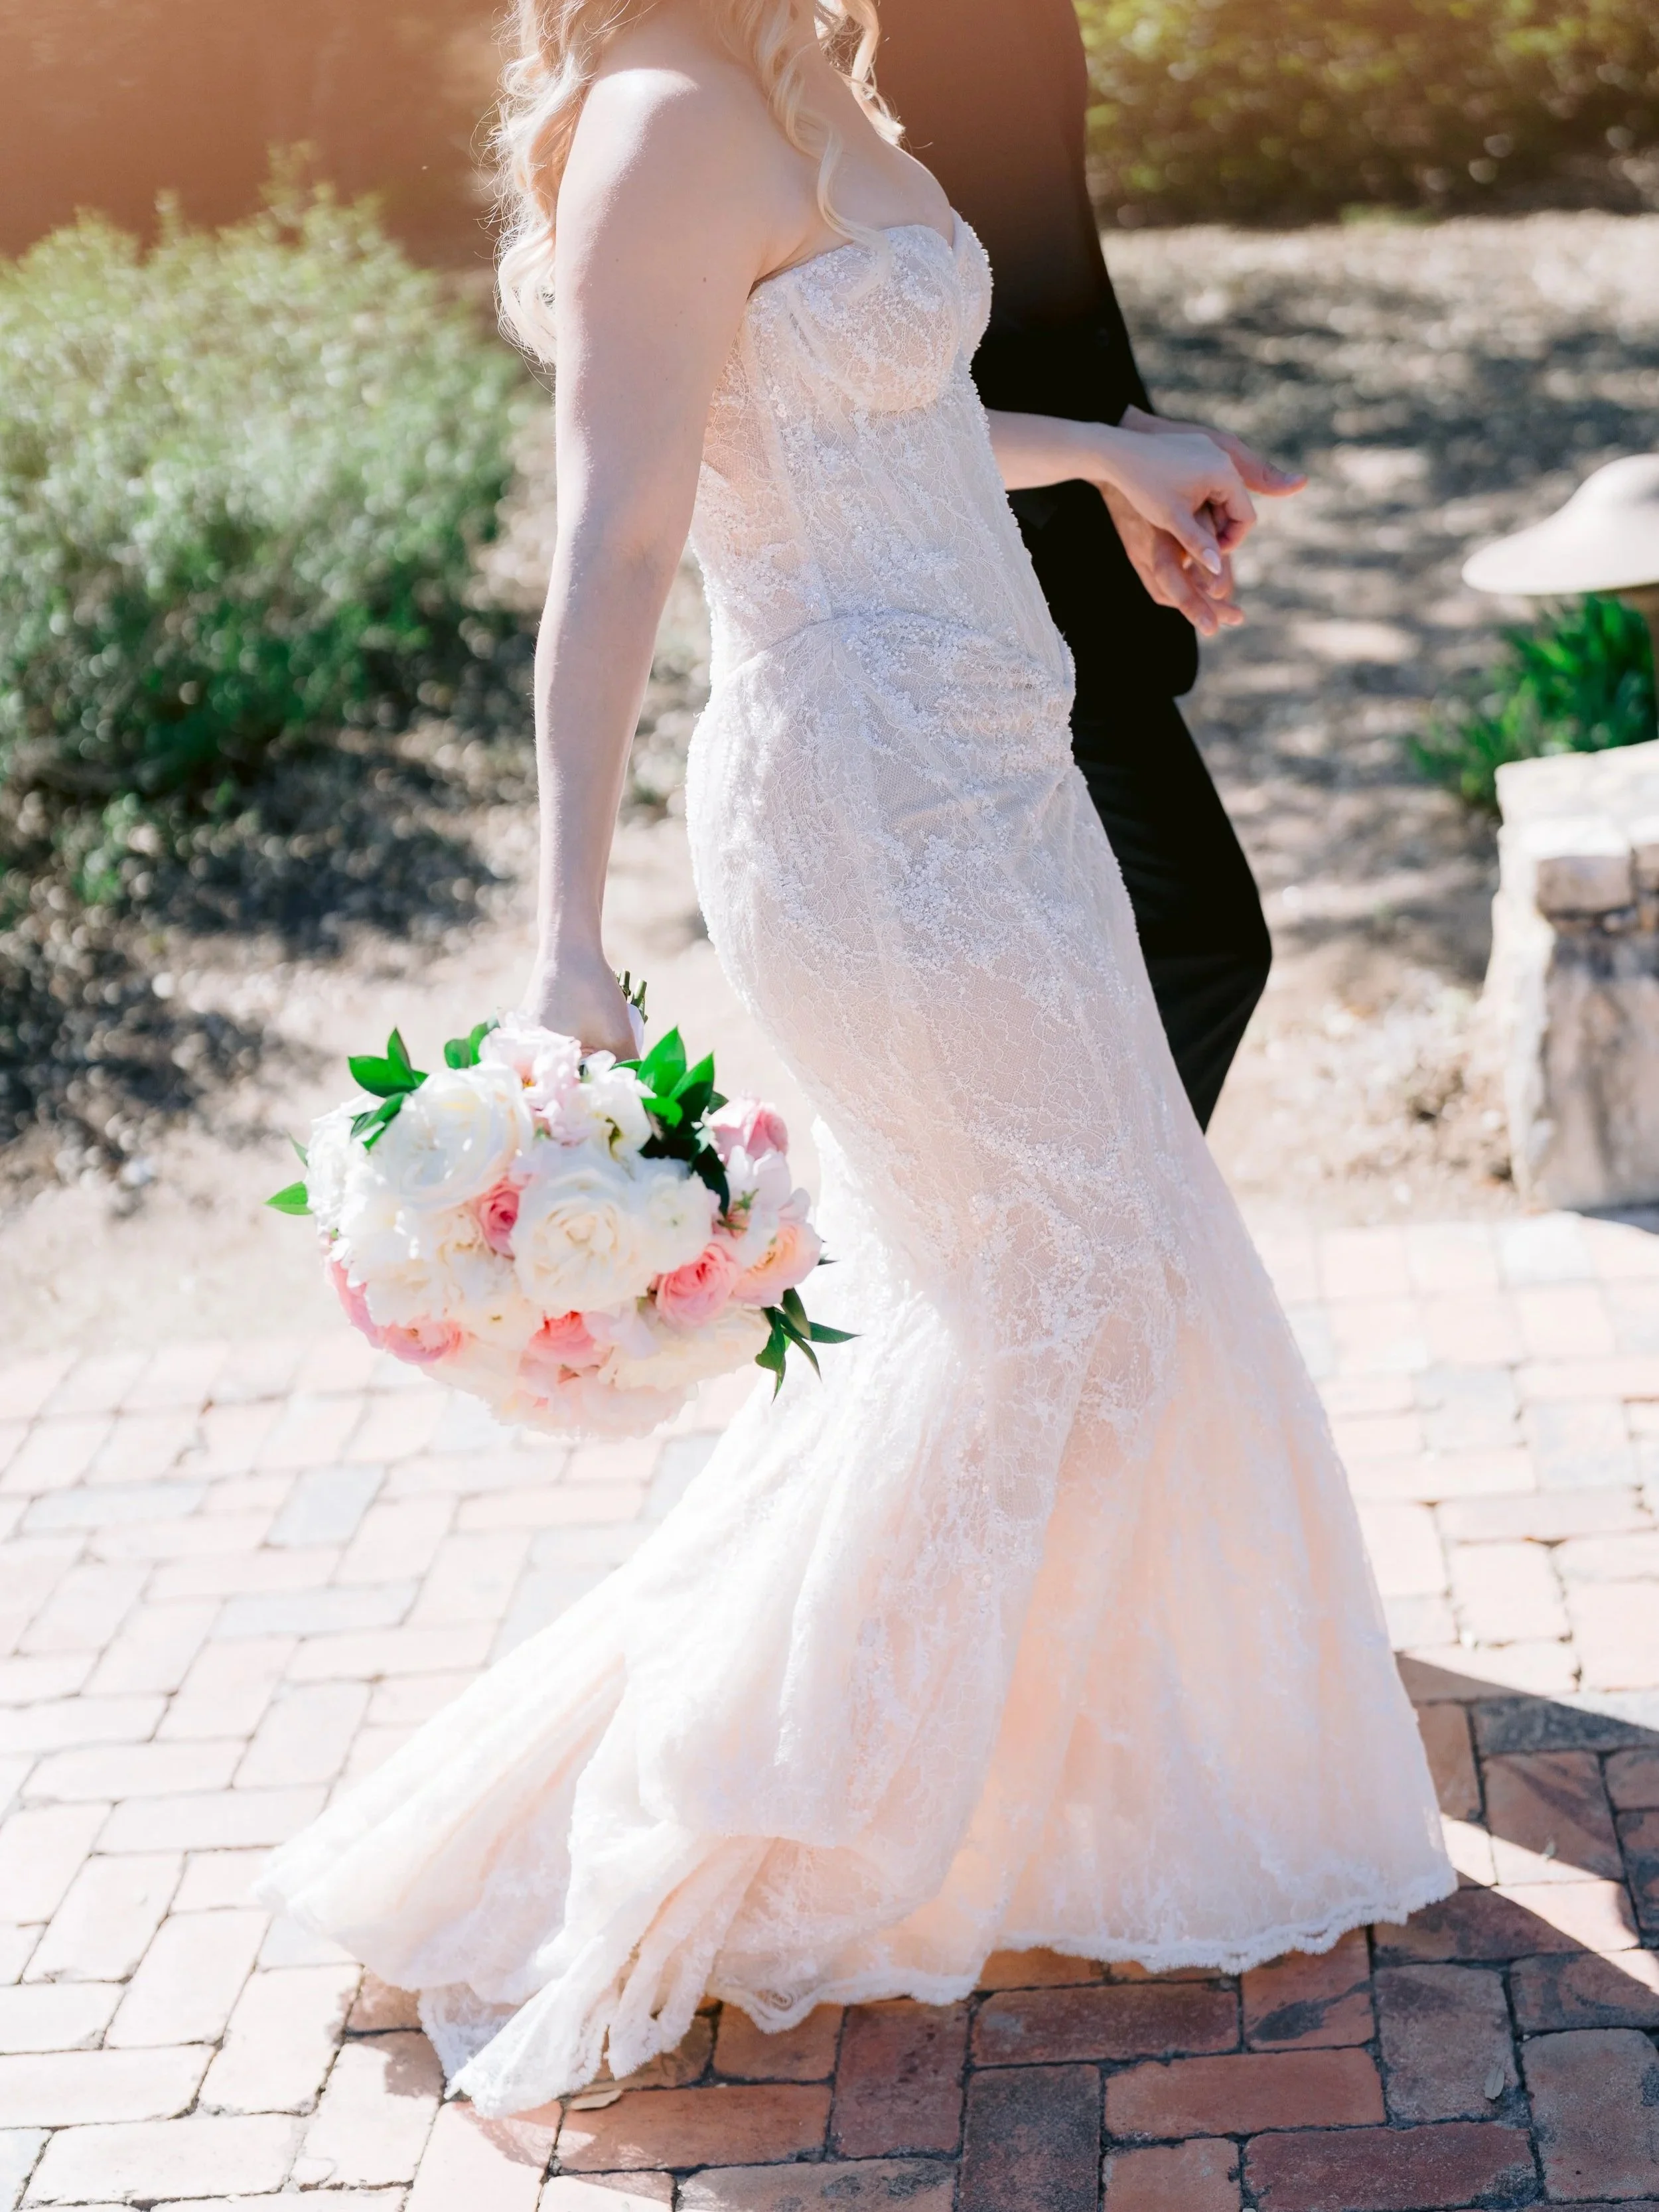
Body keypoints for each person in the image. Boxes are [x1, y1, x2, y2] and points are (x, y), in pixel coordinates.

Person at [257, 0, 1453, 2115]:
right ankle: (745, 1816)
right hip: (869, 809)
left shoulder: (817, 86)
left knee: (1074, 1286)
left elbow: (876, 413)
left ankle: (1034, 1788)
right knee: (1041, 1299)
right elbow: (619, 536)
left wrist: (1103, 454)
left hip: (1002, 771)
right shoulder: (655, 122)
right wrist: (563, 937)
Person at [876, 0, 1301, 1129]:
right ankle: (1056, 1285)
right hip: (957, 563)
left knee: (1129, 951)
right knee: (1190, 939)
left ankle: (1076, 1281)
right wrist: (1105, 458)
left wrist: (1134, 442)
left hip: (1049, 524)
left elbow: (1036, 269)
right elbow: (883, 327)